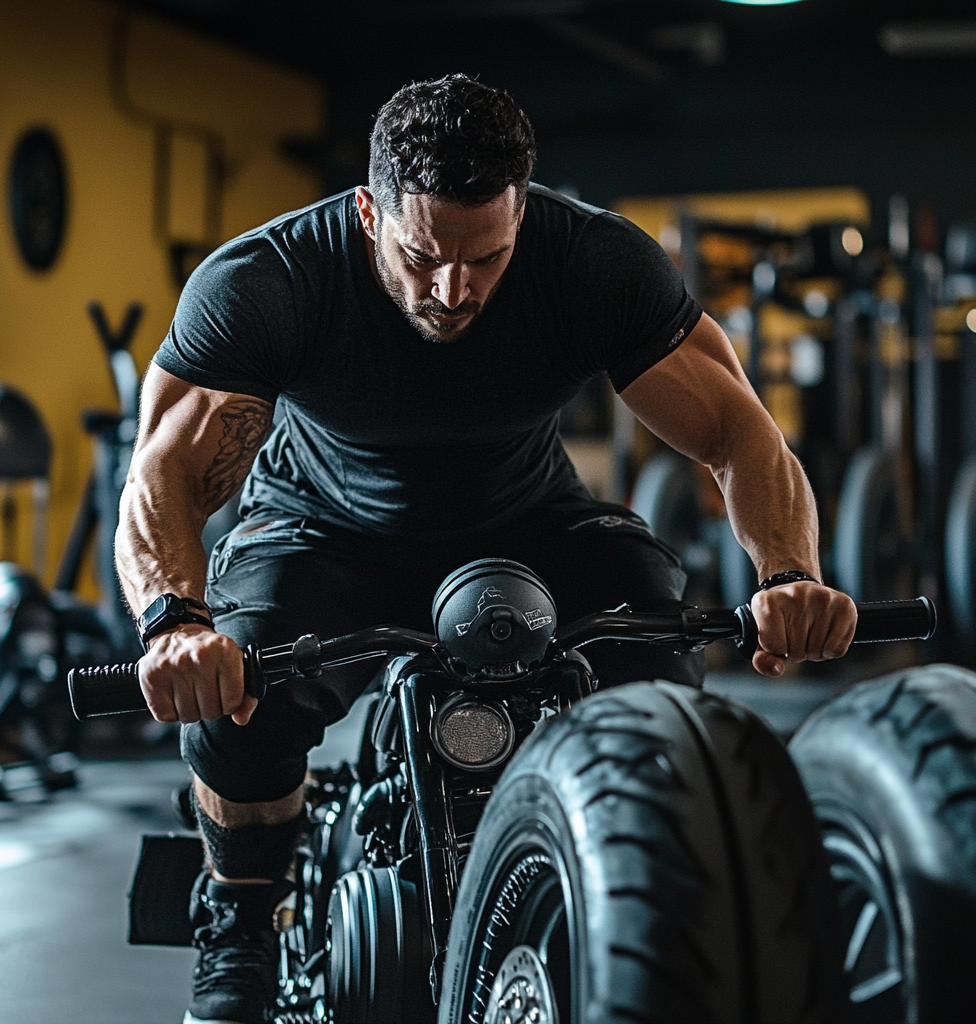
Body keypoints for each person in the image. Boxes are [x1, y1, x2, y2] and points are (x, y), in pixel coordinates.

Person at [115, 74, 857, 1024]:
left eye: (487, 257)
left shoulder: (591, 260)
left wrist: (790, 576)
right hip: (322, 528)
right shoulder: (271, 280)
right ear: (366, 211)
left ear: (520, 216)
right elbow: (163, 469)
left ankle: (631, 871)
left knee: (652, 631)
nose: (454, 291)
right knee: (237, 696)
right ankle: (241, 916)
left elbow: (740, 431)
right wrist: (175, 623)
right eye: (423, 257)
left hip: (523, 517)